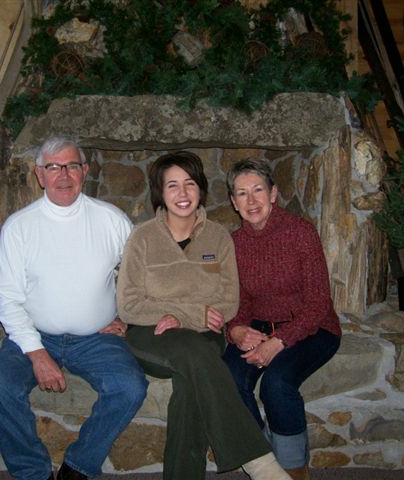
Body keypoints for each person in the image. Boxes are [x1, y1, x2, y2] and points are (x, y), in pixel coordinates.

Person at [0, 136, 148, 480]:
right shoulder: (19, 228)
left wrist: (127, 318)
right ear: (39, 175)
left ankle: (78, 466)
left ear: (84, 171)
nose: (64, 175)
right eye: (53, 167)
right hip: (33, 334)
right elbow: (8, 300)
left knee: (130, 386)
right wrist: (37, 353)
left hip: (96, 338)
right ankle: (32, 472)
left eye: (72, 165)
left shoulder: (111, 220)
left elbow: (141, 278)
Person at [116, 151, 290, 480]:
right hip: (152, 335)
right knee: (194, 354)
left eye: (190, 184)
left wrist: (187, 318)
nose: (182, 194)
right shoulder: (142, 238)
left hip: (205, 336)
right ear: (160, 192)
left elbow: (229, 300)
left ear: (201, 189)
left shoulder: (218, 237)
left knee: (190, 385)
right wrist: (189, 313)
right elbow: (128, 305)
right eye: (172, 186)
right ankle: (260, 463)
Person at [222, 158, 342, 480]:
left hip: (313, 328)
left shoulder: (300, 232)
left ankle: (294, 470)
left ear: (273, 194)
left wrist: (280, 342)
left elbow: (319, 303)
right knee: (229, 378)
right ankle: (266, 466)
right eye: (242, 194)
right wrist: (236, 330)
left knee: (277, 383)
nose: (251, 200)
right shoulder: (234, 244)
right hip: (261, 326)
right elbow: (242, 300)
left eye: (258, 190)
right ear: (234, 203)